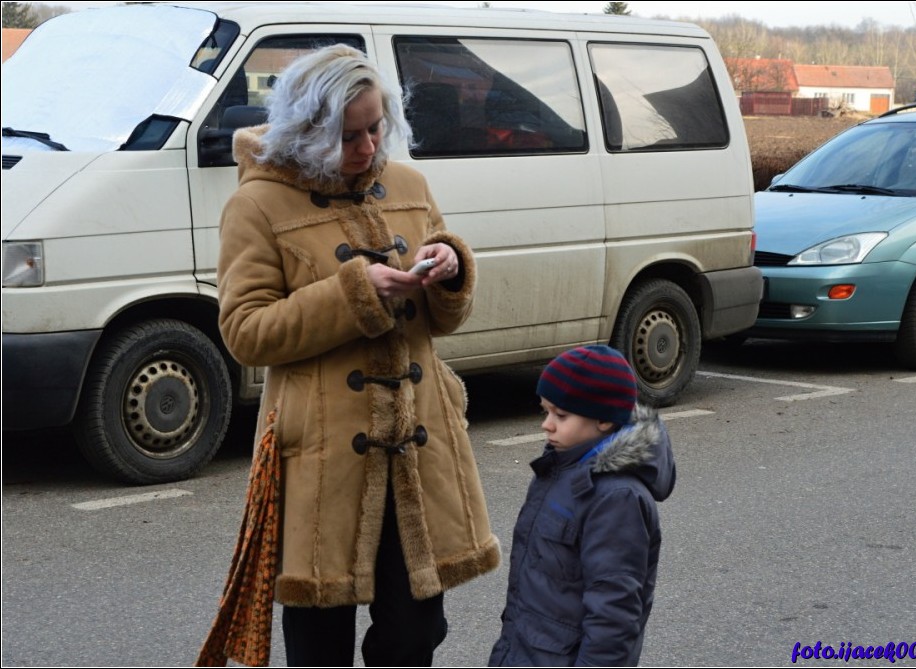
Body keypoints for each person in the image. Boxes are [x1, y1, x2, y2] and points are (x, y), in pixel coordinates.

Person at [211, 44, 499, 667]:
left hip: (418, 445)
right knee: (320, 643)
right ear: (307, 132)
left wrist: (449, 268)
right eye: (349, 136)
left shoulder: (410, 186)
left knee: (415, 632)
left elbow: (445, 320)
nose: (369, 148)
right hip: (321, 456)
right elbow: (245, 330)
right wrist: (353, 293)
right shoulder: (256, 204)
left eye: (376, 128)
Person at [488, 345, 676, 667]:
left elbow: (613, 616)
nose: (547, 424)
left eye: (561, 415)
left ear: (603, 420)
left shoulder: (617, 499)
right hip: (526, 649)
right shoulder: (561, 468)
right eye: (545, 411)